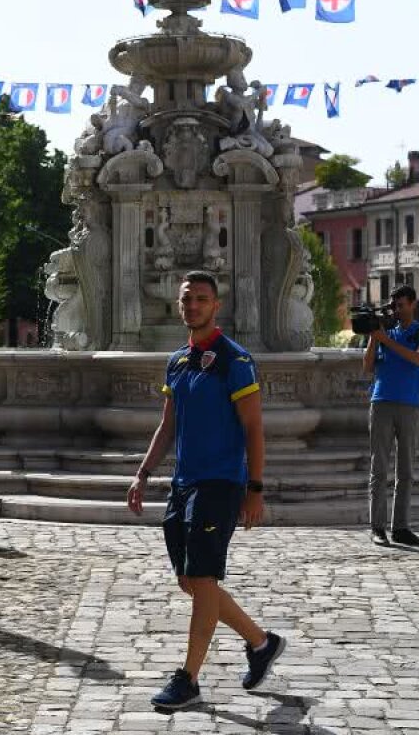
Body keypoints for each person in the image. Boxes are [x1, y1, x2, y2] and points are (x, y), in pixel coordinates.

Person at [127, 272, 285, 710]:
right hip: (183, 483)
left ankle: (189, 679)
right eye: (186, 299)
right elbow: (167, 425)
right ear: (179, 305)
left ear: (216, 305)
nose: (192, 305)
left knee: (203, 577)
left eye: (201, 299)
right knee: (192, 581)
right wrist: (142, 473)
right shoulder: (177, 361)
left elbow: (254, 429)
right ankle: (260, 642)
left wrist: (254, 489)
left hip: (221, 483)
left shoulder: (234, 360)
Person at [362, 285, 419, 548]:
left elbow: (417, 359)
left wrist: (385, 340)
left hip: (410, 406)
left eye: (401, 305)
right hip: (381, 402)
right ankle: (377, 527)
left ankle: (401, 528)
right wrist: (374, 337)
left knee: (406, 470)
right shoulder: (384, 333)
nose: (396, 310)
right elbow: (367, 366)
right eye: (393, 305)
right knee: (378, 468)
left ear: (413, 304)